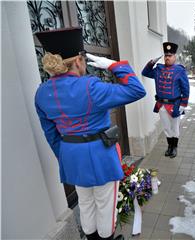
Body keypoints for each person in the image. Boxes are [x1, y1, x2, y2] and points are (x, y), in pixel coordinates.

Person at [34, 27, 146, 240]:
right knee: (105, 205)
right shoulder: (90, 86)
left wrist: (66, 155)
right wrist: (114, 65)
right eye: (83, 59)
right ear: (78, 61)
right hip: (100, 155)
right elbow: (136, 90)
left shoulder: (41, 92)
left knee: (85, 204)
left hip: (71, 157)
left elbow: (50, 134)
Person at [142, 42, 190, 158]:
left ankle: (174, 148)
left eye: (170, 56)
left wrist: (183, 104)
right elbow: (145, 73)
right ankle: (169, 146)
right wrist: (151, 63)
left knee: (175, 128)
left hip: (175, 105)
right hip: (161, 104)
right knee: (166, 128)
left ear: (174, 57)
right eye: (166, 56)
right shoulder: (158, 69)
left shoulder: (180, 70)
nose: (167, 58)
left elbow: (186, 88)